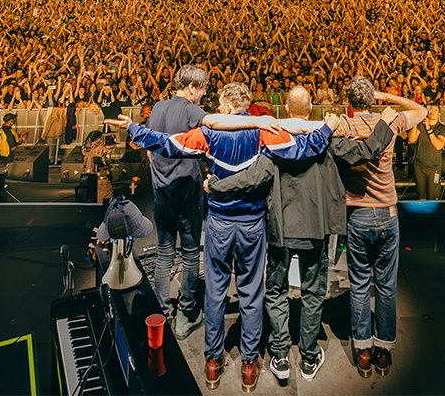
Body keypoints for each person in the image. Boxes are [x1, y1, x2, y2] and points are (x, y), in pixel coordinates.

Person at [109, 81, 333, 394]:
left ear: (226, 108)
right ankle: (249, 365)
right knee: (251, 294)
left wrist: (134, 128)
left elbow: (168, 145)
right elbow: (300, 149)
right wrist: (326, 130)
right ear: (246, 108)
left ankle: (213, 362)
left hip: (219, 225)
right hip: (252, 225)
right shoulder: (262, 133)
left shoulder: (209, 135)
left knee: (215, 294)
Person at [209, 88, 397, 383]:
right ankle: (309, 356)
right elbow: (366, 151)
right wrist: (385, 122)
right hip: (315, 230)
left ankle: (280, 354)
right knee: (312, 293)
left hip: (280, 232)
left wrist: (217, 185)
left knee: (275, 291)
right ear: (311, 108)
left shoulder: (276, 140)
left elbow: (252, 178)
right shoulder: (327, 139)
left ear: (285, 107)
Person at [332, 78, 426, 378]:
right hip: (386, 213)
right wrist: (387, 96)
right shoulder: (392, 121)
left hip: (357, 214)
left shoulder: (345, 126)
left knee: (358, 285)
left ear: (349, 100)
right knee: (385, 285)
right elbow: (421, 110)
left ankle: (363, 351)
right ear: (371, 100)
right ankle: (383, 350)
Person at [143, 64, 208, 340]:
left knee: (164, 253)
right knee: (191, 253)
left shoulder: (157, 107)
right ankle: (186, 314)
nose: (203, 96)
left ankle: (160, 311)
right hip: (187, 195)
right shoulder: (192, 110)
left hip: (161, 194)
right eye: (203, 90)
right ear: (192, 87)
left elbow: (148, 148)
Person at [408, 105, 445, 199]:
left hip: (434, 167)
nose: (432, 112)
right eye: (431, 110)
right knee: (421, 195)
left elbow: (438, 146)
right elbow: (411, 139)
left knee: (433, 195)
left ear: (439, 114)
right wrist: (415, 122)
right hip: (419, 166)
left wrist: (428, 128)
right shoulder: (420, 125)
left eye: (435, 110)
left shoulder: (441, 128)